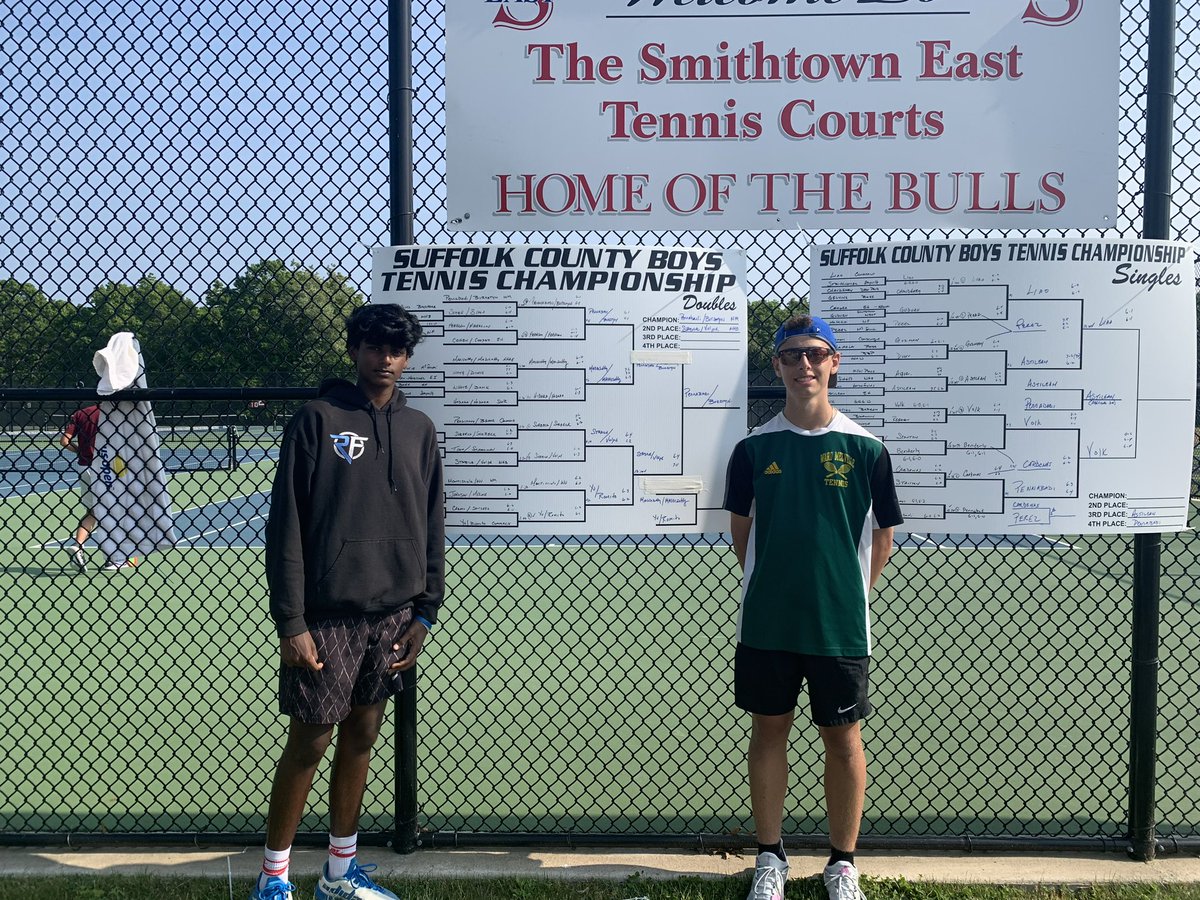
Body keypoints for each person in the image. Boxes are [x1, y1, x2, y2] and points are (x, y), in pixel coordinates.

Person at [252, 304, 445, 900]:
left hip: (392, 611)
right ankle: (274, 877)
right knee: (310, 740)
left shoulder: (419, 429)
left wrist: (424, 610)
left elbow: (433, 518)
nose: (385, 359)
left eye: (397, 350)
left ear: (408, 357)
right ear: (355, 350)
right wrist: (292, 620)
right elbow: (286, 524)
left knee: (362, 734)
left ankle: (339, 872)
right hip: (327, 613)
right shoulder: (317, 418)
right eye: (373, 347)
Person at [723, 315, 903, 900]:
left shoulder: (867, 448)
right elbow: (741, 531)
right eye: (793, 354)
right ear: (776, 365)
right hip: (769, 620)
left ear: (834, 362)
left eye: (816, 354)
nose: (805, 365)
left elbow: (882, 540)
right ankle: (770, 857)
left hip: (840, 624)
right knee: (768, 730)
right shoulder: (753, 448)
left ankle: (842, 863)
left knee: (843, 738)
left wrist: (850, 591)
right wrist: (774, 580)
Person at [59, 403, 100, 572]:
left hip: (85, 466)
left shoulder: (81, 414)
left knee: (92, 510)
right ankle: (115, 556)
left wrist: (80, 451)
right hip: (107, 467)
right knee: (115, 508)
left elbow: (64, 441)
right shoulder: (114, 414)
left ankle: (78, 545)